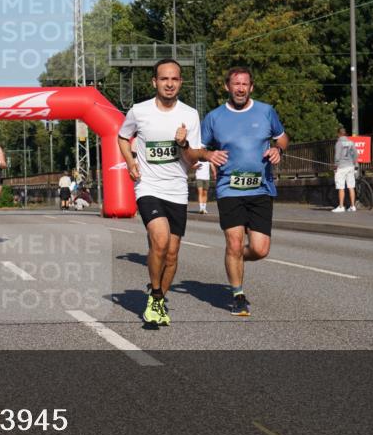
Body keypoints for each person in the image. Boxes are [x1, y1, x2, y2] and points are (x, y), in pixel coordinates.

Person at [187, 66, 288, 317]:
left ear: (251, 87)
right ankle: (238, 295)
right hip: (229, 188)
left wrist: (278, 149)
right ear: (227, 87)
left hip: (261, 188)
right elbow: (197, 149)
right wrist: (208, 155)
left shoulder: (266, 111)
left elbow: (282, 138)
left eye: (244, 84)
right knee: (234, 242)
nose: (240, 89)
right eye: (236, 84)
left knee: (260, 249)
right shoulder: (214, 117)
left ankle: (234, 258)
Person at [119, 59, 202, 326]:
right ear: (154, 82)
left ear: (181, 82)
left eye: (174, 79)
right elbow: (123, 137)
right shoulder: (139, 111)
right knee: (160, 240)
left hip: (177, 189)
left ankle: (158, 300)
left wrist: (184, 144)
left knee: (172, 253)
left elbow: (193, 159)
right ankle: (155, 294)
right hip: (148, 187)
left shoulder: (190, 115)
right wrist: (131, 162)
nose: (169, 84)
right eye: (164, 79)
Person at [332, 126, 359, 212]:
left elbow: (337, 157)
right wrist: (355, 164)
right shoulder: (351, 142)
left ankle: (341, 206)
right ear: (345, 133)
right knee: (351, 186)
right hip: (350, 166)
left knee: (341, 187)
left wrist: (335, 166)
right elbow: (356, 154)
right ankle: (353, 206)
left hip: (341, 167)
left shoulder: (339, 143)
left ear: (338, 134)